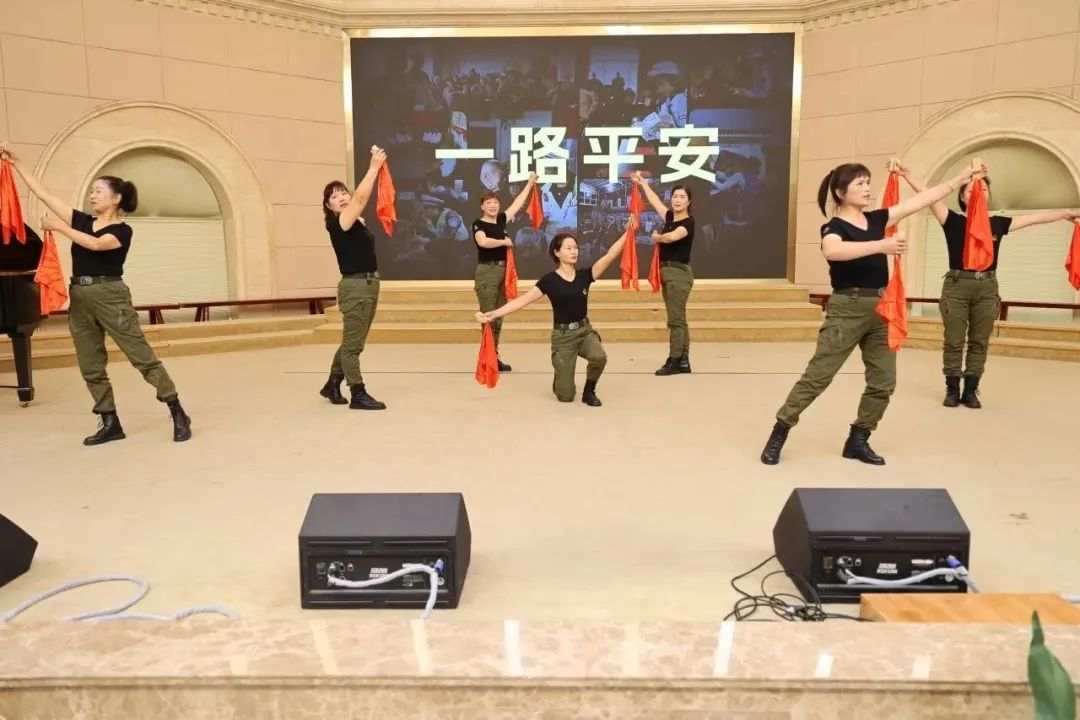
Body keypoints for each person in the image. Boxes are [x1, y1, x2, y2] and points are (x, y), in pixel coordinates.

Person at [759, 161, 984, 466]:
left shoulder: (878, 218)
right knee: (818, 377)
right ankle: (780, 431)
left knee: (883, 382)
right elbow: (833, 251)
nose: (867, 189)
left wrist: (961, 178)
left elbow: (924, 199)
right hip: (847, 309)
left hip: (881, 308)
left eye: (868, 182)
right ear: (841, 193)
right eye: (860, 184)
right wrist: (882, 245)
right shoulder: (834, 227)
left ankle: (858, 438)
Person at [2, 144, 192, 445]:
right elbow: (44, 195)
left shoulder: (123, 230)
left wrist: (60, 228)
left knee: (141, 357)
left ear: (116, 199)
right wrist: (17, 164)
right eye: (91, 191)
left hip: (110, 295)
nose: (92, 195)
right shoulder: (83, 221)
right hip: (80, 295)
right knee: (90, 363)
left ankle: (176, 409)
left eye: (98, 191)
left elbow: (97, 245)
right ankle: (110, 422)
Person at [900, 164, 1080, 408]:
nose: (979, 190)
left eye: (984, 188)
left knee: (979, 341)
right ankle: (952, 389)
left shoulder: (997, 224)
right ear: (962, 196)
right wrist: (907, 174)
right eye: (972, 188)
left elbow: (1034, 219)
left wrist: (1067, 212)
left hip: (986, 288)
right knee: (953, 340)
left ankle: (970, 390)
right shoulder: (951, 220)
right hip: (957, 286)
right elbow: (927, 194)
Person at [475, 221, 632, 406]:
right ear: (557, 252)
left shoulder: (585, 276)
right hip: (563, 337)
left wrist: (628, 232)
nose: (574, 252)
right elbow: (522, 301)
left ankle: (589, 391)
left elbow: (611, 254)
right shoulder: (549, 281)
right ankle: (561, 378)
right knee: (565, 396)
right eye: (568, 248)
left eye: (576, 248)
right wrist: (493, 314)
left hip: (584, 332)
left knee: (599, 357)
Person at [319, 146, 389, 410]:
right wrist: (373, 168)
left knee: (354, 340)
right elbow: (360, 199)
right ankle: (357, 393)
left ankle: (332, 383)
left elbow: (357, 203)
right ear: (329, 207)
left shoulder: (355, 222)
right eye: (334, 196)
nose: (341, 197)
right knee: (353, 346)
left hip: (368, 285)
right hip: (356, 286)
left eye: (342, 193)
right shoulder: (339, 223)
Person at [471, 172, 538, 372]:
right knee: (488, 317)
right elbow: (483, 242)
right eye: (488, 203)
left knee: (499, 316)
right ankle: (486, 360)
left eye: (495, 203)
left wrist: (530, 184)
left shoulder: (501, 220)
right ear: (482, 207)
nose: (493, 206)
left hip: (503, 272)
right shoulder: (478, 224)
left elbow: (517, 204)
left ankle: (493, 357)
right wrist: (504, 241)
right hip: (487, 272)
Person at [632, 171, 695, 375]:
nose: (677, 200)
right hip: (668, 273)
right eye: (675, 196)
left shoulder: (688, 222)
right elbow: (654, 201)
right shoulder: (669, 217)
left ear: (689, 202)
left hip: (678, 274)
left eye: (682, 197)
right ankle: (683, 361)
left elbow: (673, 237)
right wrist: (643, 184)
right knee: (679, 318)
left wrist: (657, 237)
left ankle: (674, 360)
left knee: (675, 320)